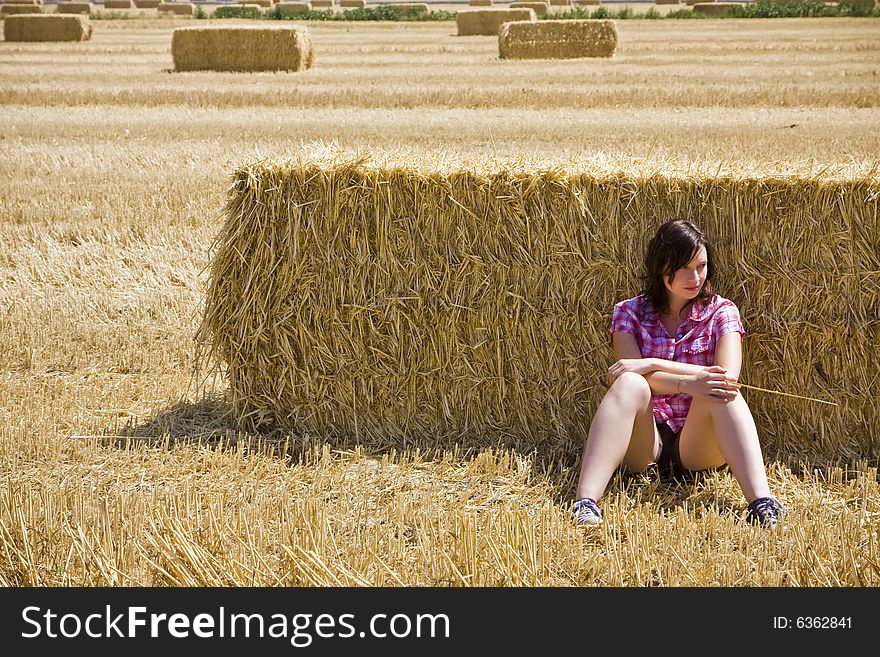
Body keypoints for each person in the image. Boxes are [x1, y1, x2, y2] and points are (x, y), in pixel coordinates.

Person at [572, 218, 786, 528]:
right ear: (661, 267)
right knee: (631, 383)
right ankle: (586, 503)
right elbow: (630, 376)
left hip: (698, 446)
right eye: (685, 268)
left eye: (702, 266)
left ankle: (763, 503)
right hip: (647, 442)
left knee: (720, 390)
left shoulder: (722, 311)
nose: (696, 277)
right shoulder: (628, 312)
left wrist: (653, 364)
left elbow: (725, 377)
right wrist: (687, 381)